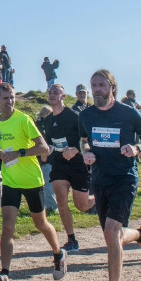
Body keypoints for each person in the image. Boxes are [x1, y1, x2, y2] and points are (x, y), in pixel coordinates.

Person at [78, 70, 141, 281]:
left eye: (101, 85)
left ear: (112, 87)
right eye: (94, 86)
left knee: (112, 231)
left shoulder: (128, 113)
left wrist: (136, 148)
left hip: (124, 179)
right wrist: (85, 152)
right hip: (100, 180)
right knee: (114, 235)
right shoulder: (87, 115)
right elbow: (83, 141)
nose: (97, 89)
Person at [0, 83, 67, 281]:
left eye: (12, 97)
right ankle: (4, 274)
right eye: (5, 98)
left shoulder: (24, 119)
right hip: (11, 181)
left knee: (40, 224)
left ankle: (58, 253)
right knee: (7, 227)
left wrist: (20, 153)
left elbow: (44, 148)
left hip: (32, 180)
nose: (10, 101)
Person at [38, 83, 94, 253]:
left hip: (78, 163)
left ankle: (102, 193)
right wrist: (45, 153)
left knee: (82, 206)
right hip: (59, 164)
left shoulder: (74, 116)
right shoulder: (48, 120)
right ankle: (71, 240)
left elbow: (87, 138)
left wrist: (75, 149)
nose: (53, 94)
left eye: (57, 92)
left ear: (63, 97)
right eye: (50, 92)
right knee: (61, 199)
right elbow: (47, 142)